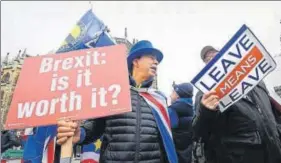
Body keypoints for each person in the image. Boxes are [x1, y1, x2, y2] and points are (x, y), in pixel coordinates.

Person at [56, 40, 178, 163]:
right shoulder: (113, 93)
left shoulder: (159, 99)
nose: (156, 62)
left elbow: (166, 143)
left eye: (156, 60)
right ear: (135, 61)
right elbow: (95, 126)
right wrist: (80, 133)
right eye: (151, 58)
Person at [192, 45, 281, 163]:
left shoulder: (257, 81)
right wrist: (206, 111)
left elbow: (272, 114)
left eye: (217, 55)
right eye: (208, 60)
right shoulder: (207, 93)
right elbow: (198, 133)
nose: (214, 60)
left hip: (274, 153)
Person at [169, 82, 194, 163]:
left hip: (175, 154)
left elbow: (169, 131)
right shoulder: (194, 109)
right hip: (189, 153)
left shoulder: (172, 109)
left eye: (172, 92)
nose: (170, 95)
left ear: (178, 95)